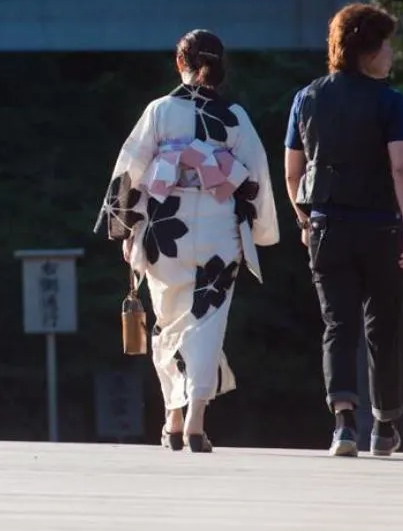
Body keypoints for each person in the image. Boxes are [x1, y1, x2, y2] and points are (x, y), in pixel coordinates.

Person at [93, 30, 281, 453]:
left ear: (181, 63)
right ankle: (195, 419)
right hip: (218, 228)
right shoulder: (235, 117)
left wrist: (126, 228)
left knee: (168, 321)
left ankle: (172, 419)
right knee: (207, 323)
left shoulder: (160, 111)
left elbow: (131, 170)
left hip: (165, 227)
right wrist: (262, 231)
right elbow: (255, 179)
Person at [283, 3, 403, 458]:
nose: (392, 55)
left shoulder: (306, 98)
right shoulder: (390, 102)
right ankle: (384, 428)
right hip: (380, 227)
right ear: (369, 50)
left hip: (326, 227)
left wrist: (305, 219)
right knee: (382, 326)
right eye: (387, 46)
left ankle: (343, 425)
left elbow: (292, 172)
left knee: (338, 324)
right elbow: (401, 167)